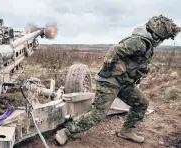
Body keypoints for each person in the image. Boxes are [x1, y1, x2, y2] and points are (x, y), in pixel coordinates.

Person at [55, 14, 181, 145]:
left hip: (124, 83)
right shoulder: (139, 42)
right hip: (109, 82)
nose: (161, 41)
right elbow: (114, 51)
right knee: (98, 114)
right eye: (161, 38)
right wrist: (113, 69)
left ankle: (126, 131)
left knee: (142, 103)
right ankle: (66, 132)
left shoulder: (146, 43)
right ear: (155, 35)